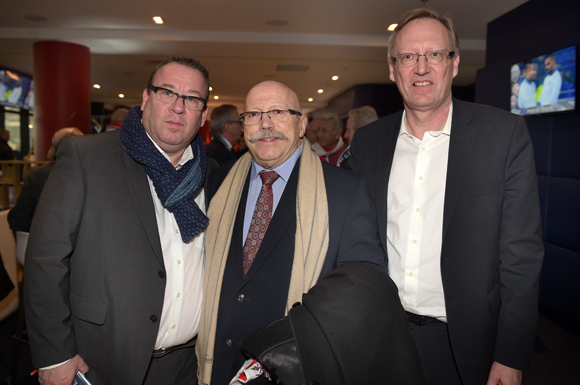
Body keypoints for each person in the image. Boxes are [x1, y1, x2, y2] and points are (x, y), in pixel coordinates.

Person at [349, 8, 543, 385]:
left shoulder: (503, 136)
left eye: (435, 54)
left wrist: (511, 354)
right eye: (408, 57)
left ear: (453, 64)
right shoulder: (368, 143)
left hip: (467, 346)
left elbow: (522, 255)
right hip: (380, 338)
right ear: (393, 69)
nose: (421, 68)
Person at [24, 56, 213, 385]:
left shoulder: (211, 175)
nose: (179, 107)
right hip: (100, 360)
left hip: (187, 366)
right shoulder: (87, 157)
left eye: (192, 99)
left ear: (203, 114)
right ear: (145, 99)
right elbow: (45, 259)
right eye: (167, 92)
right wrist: (54, 353)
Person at [196, 80, 392, 385]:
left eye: (277, 112)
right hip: (217, 366)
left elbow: (363, 285)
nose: (265, 124)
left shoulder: (344, 191)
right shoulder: (218, 183)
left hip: (293, 370)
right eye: (254, 115)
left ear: (301, 125)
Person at [8, 127, 83, 234]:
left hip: (46, 244)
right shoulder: (95, 176)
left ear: (54, 148)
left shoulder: (37, 176)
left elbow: (18, 219)